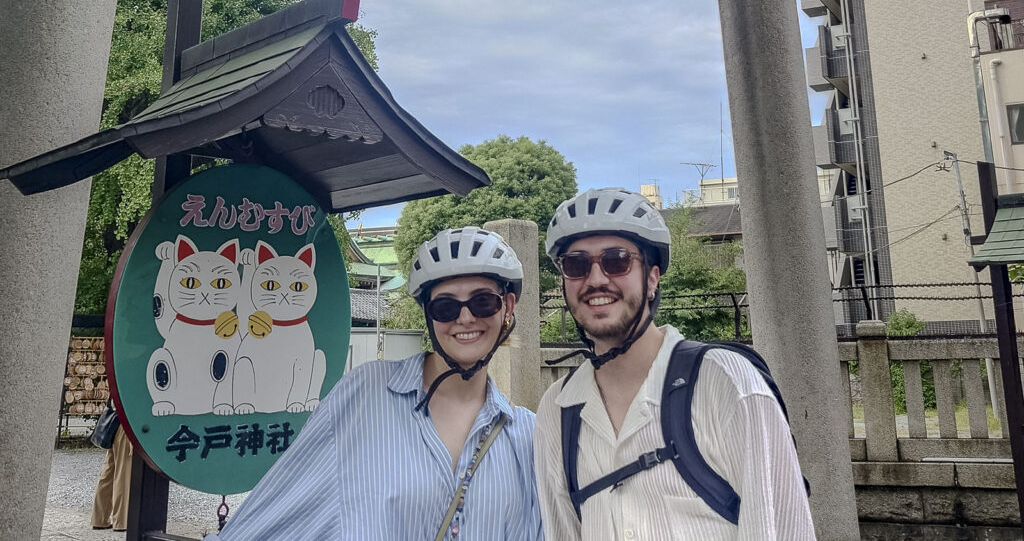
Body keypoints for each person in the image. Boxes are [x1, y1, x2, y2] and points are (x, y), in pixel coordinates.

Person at [210, 227, 542, 540]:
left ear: (507, 307)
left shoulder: (529, 436)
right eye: (446, 306)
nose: (466, 317)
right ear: (428, 313)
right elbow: (278, 506)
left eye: (483, 301)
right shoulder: (366, 394)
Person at [533, 187, 814, 540]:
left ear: (652, 278)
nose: (596, 279)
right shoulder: (557, 410)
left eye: (617, 260)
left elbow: (782, 529)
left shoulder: (725, 381)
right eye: (576, 264)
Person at [91, 420, 133, 531]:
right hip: (127, 425)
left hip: (114, 424)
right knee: (123, 473)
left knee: (109, 472)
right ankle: (121, 521)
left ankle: (99, 519)